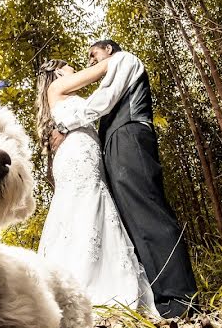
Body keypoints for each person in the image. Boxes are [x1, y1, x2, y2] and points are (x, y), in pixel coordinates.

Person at [48, 40, 198, 318]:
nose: (91, 62)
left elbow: (103, 101)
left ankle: (181, 299)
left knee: (148, 212)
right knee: (133, 221)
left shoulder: (124, 60)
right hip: (114, 145)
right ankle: (164, 299)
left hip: (130, 136)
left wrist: (63, 124)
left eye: (94, 54)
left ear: (109, 50)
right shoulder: (82, 81)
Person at [35, 58, 156, 314]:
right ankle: (85, 289)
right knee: (85, 209)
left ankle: (87, 285)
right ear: (58, 71)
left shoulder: (62, 95)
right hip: (77, 155)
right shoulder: (57, 87)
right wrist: (112, 57)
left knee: (89, 212)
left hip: (84, 152)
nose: (74, 67)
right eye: (69, 65)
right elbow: (101, 70)